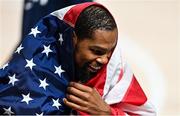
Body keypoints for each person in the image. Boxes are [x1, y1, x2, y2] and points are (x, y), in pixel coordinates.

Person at [0, 2, 156, 115]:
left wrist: (107, 113)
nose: (104, 60)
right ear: (73, 39)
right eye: (96, 51)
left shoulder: (111, 67)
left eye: (110, 52)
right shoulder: (28, 77)